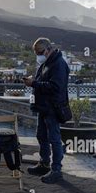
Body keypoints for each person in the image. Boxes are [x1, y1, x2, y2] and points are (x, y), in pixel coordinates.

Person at [23, 37, 69, 183]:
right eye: (36, 53)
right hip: (43, 107)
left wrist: (34, 83)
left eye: (40, 52)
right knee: (41, 135)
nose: (38, 56)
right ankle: (44, 164)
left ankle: (56, 170)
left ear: (48, 49)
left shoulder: (58, 64)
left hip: (52, 108)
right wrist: (34, 81)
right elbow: (44, 81)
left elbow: (55, 87)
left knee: (54, 139)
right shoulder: (47, 63)